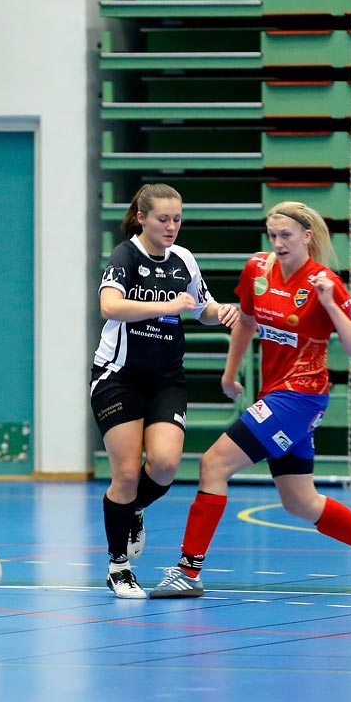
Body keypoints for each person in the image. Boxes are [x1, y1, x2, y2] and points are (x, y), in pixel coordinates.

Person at [149, 201, 351, 599]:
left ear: (307, 237)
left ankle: (188, 572)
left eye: (286, 236)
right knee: (299, 501)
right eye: (273, 235)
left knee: (213, 464)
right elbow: (245, 320)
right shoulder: (257, 269)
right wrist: (230, 371)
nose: (278, 243)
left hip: (301, 397)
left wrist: (330, 305)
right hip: (275, 394)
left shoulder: (324, 282)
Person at [92, 183, 239, 599]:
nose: (172, 226)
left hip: (166, 379)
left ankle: (134, 509)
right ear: (142, 218)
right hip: (118, 376)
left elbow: (201, 308)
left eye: (177, 219)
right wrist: (165, 306)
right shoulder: (126, 256)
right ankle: (118, 567)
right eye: (163, 219)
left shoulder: (183, 260)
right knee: (124, 472)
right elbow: (110, 306)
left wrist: (220, 312)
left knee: (164, 465)